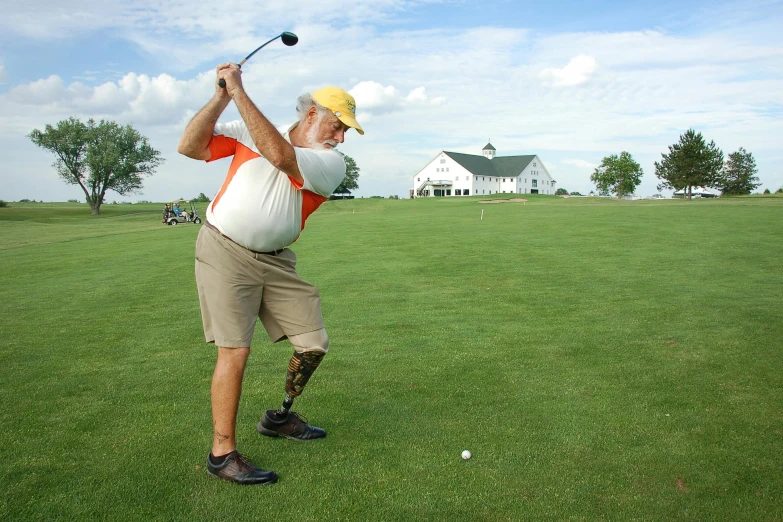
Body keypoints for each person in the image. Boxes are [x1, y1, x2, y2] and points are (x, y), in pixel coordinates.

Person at [177, 62, 364, 485]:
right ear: (311, 114)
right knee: (235, 350)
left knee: (314, 344)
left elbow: (280, 155)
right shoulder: (250, 130)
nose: (340, 137)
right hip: (224, 248)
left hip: (278, 261)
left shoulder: (331, 163)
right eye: (337, 125)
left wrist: (240, 92)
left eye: (346, 131)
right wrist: (221, 97)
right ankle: (221, 453)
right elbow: (190, 146)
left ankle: (279, 417)